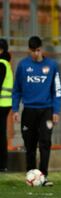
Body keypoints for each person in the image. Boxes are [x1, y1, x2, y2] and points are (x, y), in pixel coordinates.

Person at [12, 36, 61, 186]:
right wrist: (15, 109)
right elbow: (16, 90)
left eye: (38, 50)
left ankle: (44, 176)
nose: (36, 53)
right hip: (28, 111)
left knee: (45, 142)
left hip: (46, 110)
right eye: (33, 51)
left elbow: (57, 90)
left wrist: (56, 111)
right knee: (30, 144)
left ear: (41, 49)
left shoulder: (52, 66)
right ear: (29, 50)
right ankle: (30, 175)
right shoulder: (23, 65)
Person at [0, 39, 13, 172]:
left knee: (1, 135)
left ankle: (2, 165)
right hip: (5, 104)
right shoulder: (5, 63)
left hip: (1, 104)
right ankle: (2, 165)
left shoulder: (1, 64)